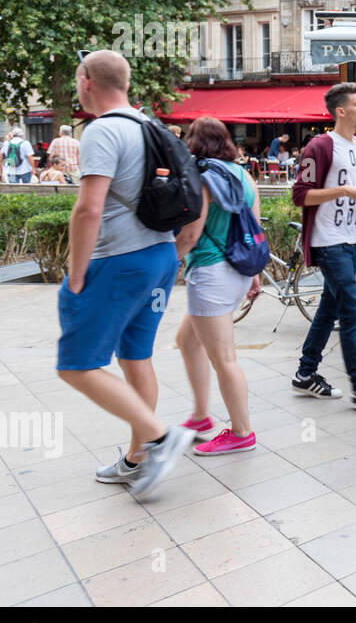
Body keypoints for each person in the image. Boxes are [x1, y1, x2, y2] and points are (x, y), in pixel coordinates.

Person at [59, 50, 192, 498]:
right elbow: (197, 195)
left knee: (77, 365)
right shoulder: (150, 125)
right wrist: (180, 250)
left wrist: (76, 274)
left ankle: (161, 437)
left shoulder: (102, 130)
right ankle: (138, 458)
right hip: (159, 257)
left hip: (117, 261)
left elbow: (88, 208)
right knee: (136, 357)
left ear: (85, 81)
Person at [291, 82, 356, 412]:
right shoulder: (320, 146)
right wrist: (346, 192)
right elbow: (300, 195)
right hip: (327, 241)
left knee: (329, 308)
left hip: (349, 241)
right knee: (352, 310)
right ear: (341, 111)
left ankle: (306, 373)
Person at [173, 117, 260, 455]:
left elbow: (190, 235)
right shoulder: (244, 175)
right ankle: (199, 416)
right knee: (186, 340)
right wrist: (254, 273)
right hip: (238, 270)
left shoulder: (203, 179)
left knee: (224, 359)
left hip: (211, 273)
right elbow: (253, 226)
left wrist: (165, 265)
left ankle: (241, 432)